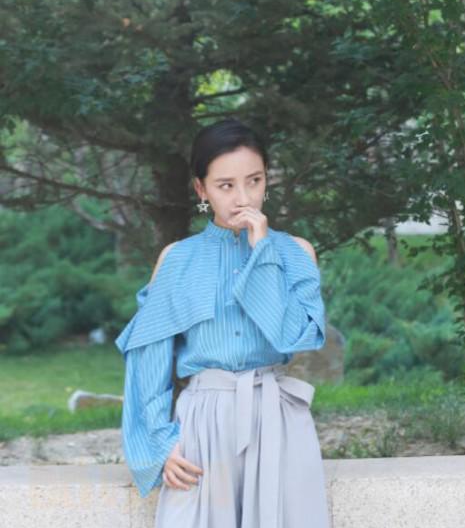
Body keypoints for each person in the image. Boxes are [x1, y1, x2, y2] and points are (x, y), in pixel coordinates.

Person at [115, 118, 330, 527]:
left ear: (267, 180)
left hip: (278, 418)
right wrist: (160, 443)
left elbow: (293, 336)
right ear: (202, 189)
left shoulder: (295, 253)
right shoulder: (177, 259)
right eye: (226, 185)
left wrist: (262, 252)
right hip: (201, 421)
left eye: (254, 181)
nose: (243, 198)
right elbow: (148, 360)